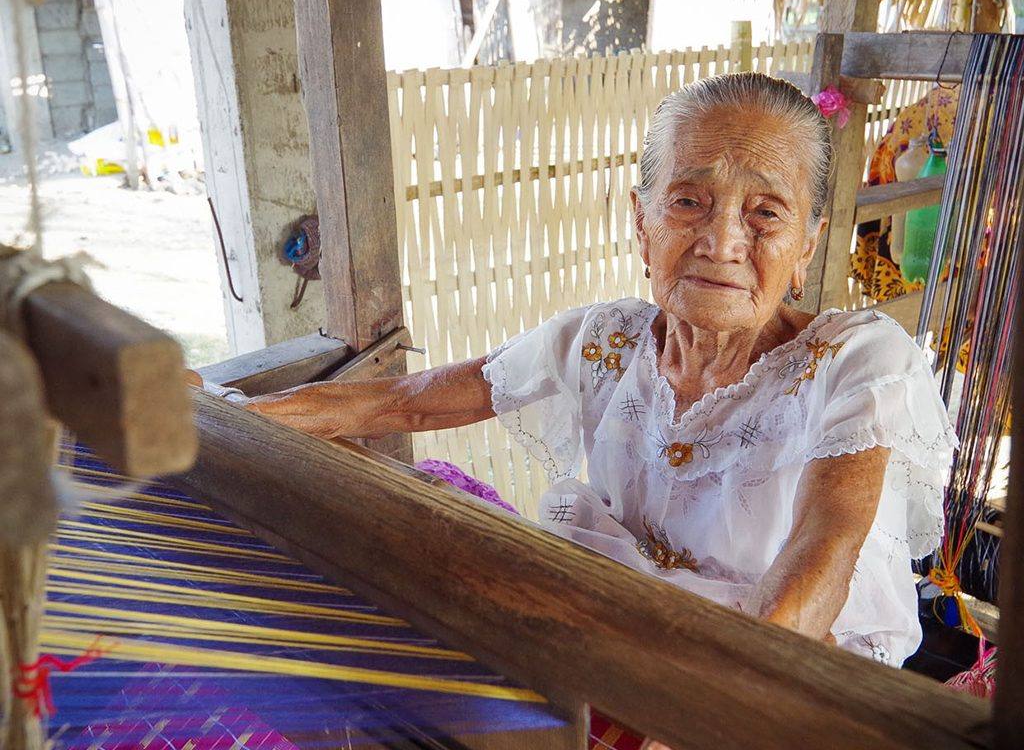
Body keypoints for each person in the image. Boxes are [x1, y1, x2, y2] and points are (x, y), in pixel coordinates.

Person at [237, 73, 956, 670]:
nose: (722, 240)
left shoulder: (856, 358)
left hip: (785, 671)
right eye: (687, 202)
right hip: (624, 641)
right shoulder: (606, 339)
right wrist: (221, 417)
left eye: (766, 213)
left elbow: (823, 550)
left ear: (807, 247)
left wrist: (715, 714)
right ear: (641, 223)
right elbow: (408, 402)